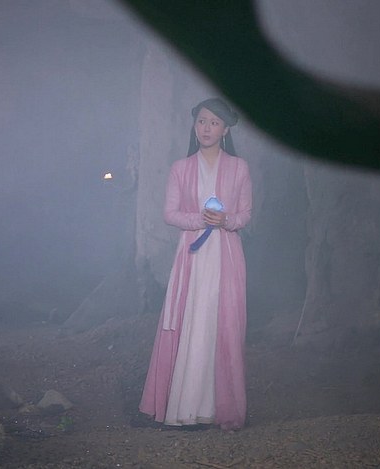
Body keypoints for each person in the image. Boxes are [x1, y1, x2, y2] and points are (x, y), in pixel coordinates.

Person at [139, 98, 252, 431]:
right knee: (191, 321)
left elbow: (246, 214)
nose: (206, 128)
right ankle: (184, 407)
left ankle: (218, 407)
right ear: (194, 125)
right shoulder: (181, 168)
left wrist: (226, 220)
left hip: (226, 256)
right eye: (202, 121)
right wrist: (200, 219)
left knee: (222, 324)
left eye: (214, 122)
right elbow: (169, 213)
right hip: (191, 256)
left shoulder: (239, 168)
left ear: (225, 130)